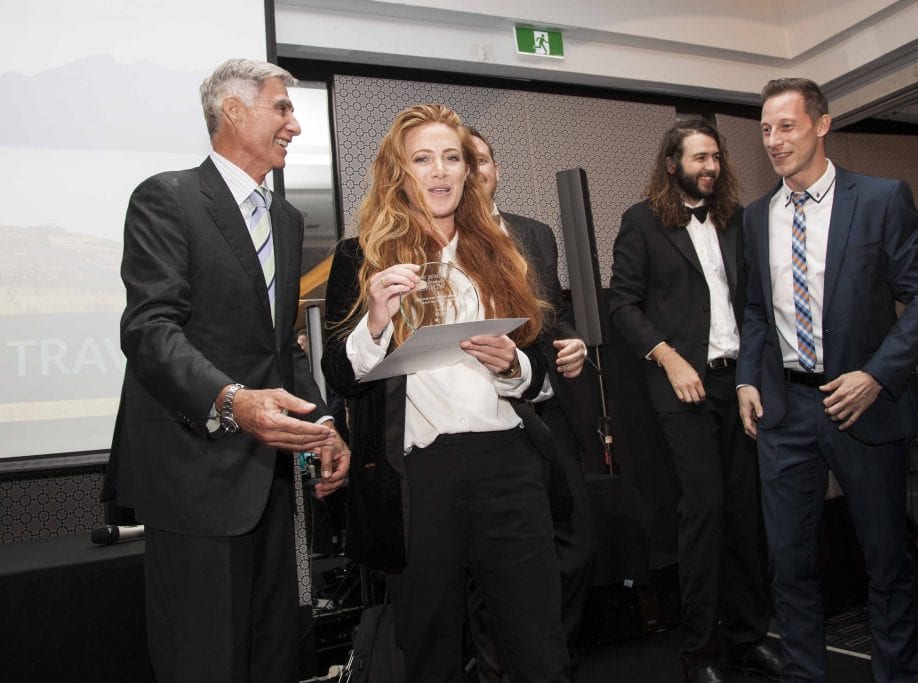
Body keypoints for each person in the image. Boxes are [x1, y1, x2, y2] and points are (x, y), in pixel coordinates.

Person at [104, 58, 350, 682]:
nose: (295, 124)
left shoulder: (286, 220)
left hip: (268, 481)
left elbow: (279, 347)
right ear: (233, 111)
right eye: (282, 107)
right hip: (193, 476)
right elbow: (148, 329)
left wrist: (323, 425)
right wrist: (230, 399)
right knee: (204, 661)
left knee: (272, 656)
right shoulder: (168, 197)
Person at [321, 104, 570, 683]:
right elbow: (339, 374)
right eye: (422, 159)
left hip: (508, 466)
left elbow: (541, 365)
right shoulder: (361, 257)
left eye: (451, 158)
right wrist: (375, 322)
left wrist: (514, 365)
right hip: (417, 478)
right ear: (398, 173)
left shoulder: (503, 252)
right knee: (429, 649)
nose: (439, 171)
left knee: (538, 647)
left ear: (467, 171)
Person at [736, 78, 918, 681]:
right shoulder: (756, 217)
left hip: (864, 405)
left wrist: (877, 376)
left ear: (822, 124)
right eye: (766, 129)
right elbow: (756, 309)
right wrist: (748, 378)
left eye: (787, 126)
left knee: (885, 560)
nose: (774, 141)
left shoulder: (881, 199)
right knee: (789, 562)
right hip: (784, 410)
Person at [608, 117, 778, 683]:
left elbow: (751, 306)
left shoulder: (735, 220)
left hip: (738, 383)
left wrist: (753, 376)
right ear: (671, 164)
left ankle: (749, 638)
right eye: (699, 158)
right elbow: (622, 304)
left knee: (745, 513)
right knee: (704, 512)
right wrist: (668, 356)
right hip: (683, 386)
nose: (710, 167)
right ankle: (700, 652)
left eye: (716, 157)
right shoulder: (641, 221)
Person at [464, 126, 594, 680]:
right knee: (493, 563)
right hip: (485, 414)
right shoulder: (443, 237)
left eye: (481, 160)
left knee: (577, 545)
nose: (474, 171)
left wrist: (574, 342)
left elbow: (552, 314)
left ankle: (550, 660)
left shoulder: (534, 232)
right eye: (463, 161)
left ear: (496, 169)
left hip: (546, 407)